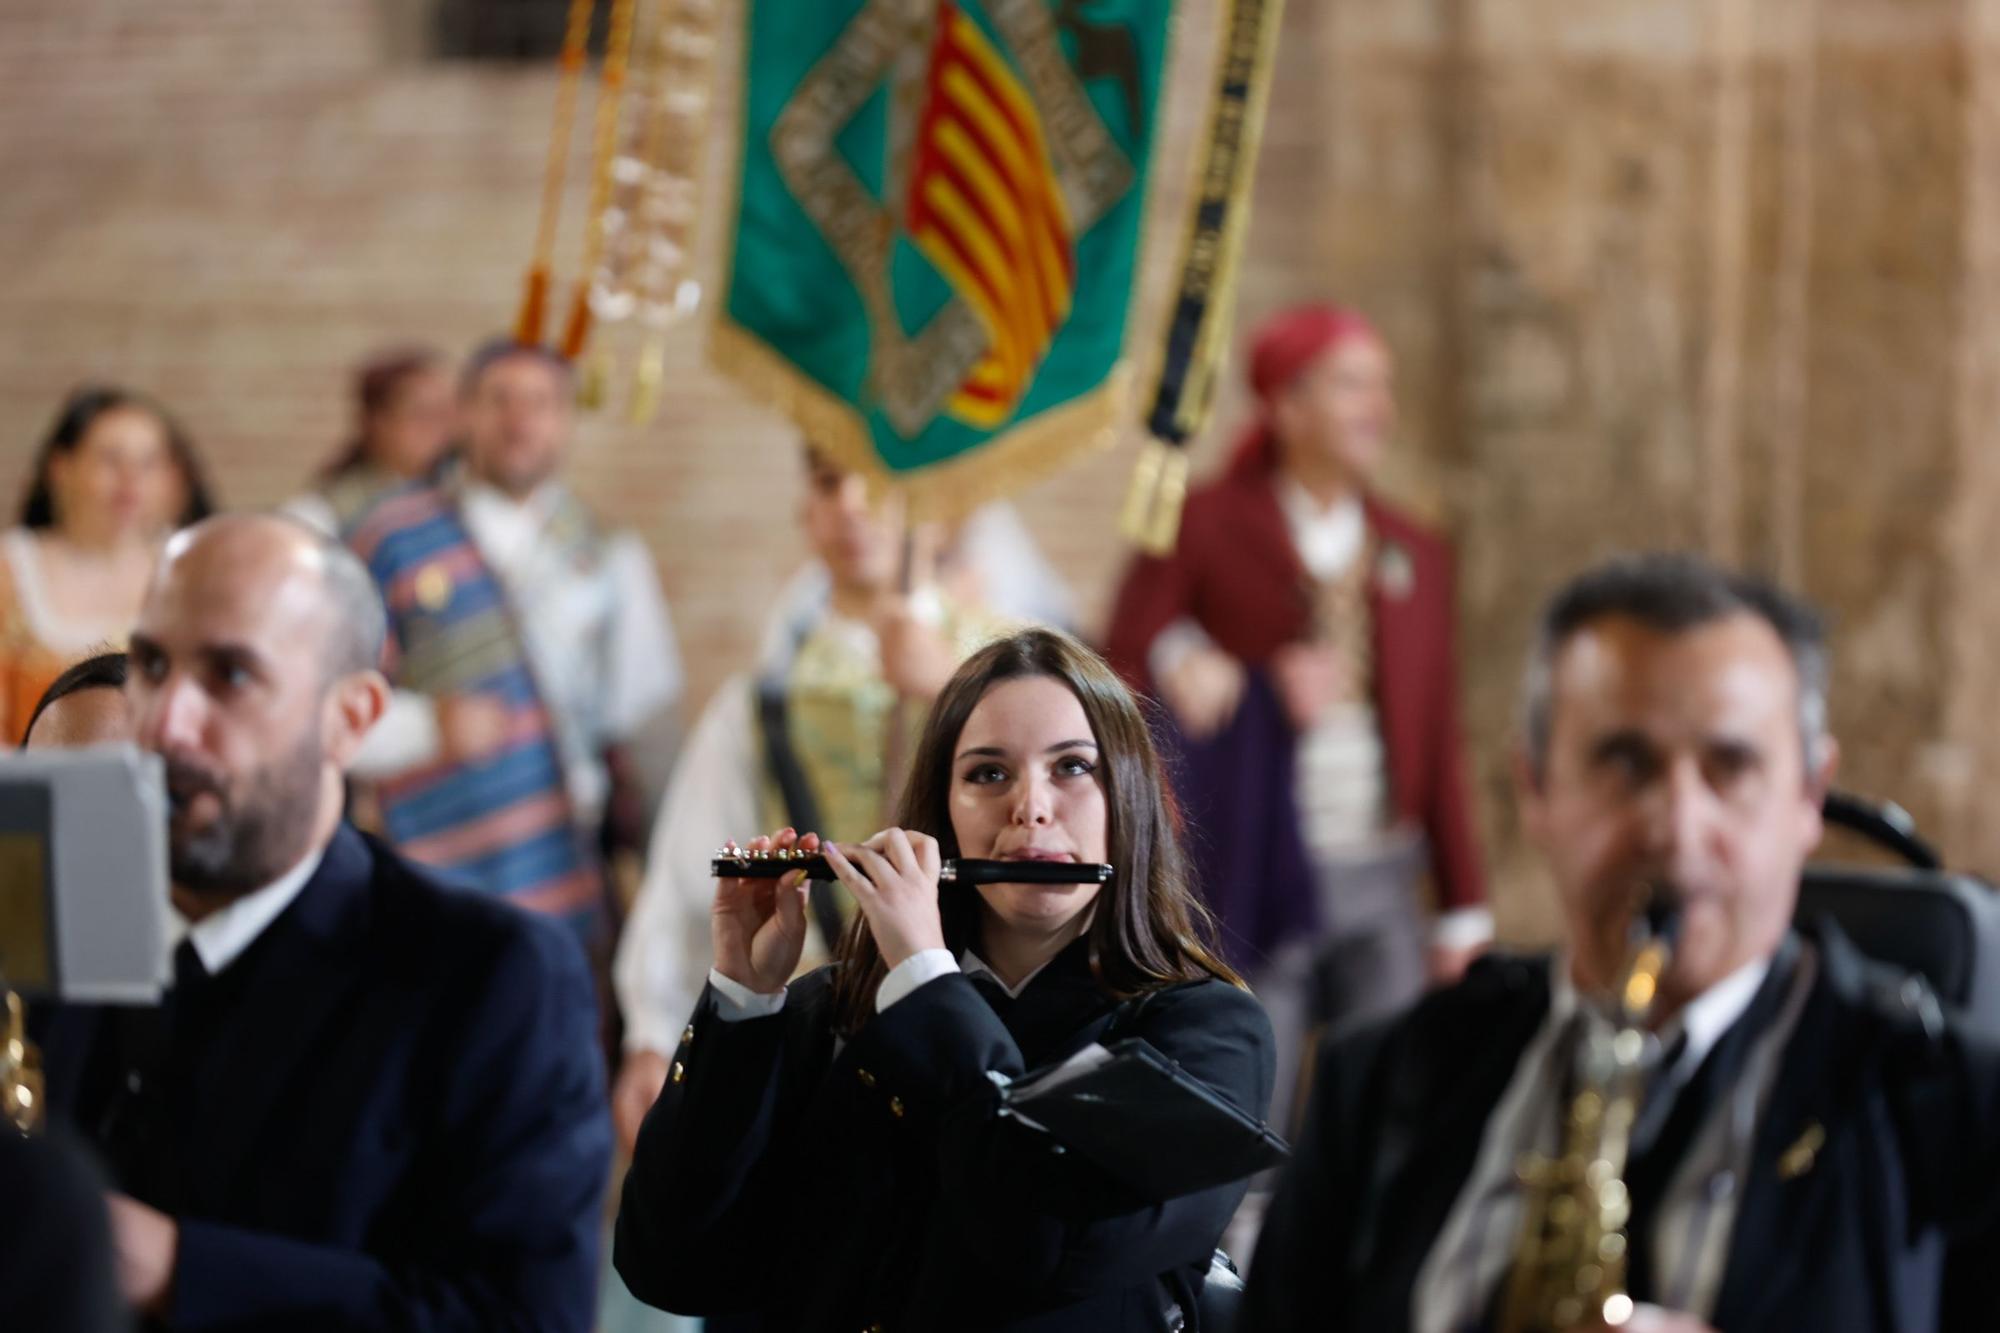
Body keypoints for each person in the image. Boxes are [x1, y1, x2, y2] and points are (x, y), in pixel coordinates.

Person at [1243, 552, 2000, 1333]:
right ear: (1534, 785)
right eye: (1625, 761)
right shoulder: (1378, 1081)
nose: (1675, 827)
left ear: (1809, 794)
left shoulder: (1957, 1105)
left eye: (1730, 765)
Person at [35, 513, 611, 1330]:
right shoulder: (48, 945)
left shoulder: (494, 976)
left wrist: (177, 1269)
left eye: (230, 675)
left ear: (352, 718)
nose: (164, 724)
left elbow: (521, 1316)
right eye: (154, 666)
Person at [614, 626, 1276, 1331]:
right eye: (988, 772)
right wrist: (744, 1002)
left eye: (1072, 767)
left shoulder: (1206, 1031)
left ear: (1129, 799)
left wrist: (927, 980)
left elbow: (1045, 1243)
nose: (1031, 806)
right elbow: (670, 1260)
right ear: (941, 813)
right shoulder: (832, 1012)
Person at [1106, 302, 1489, 1128]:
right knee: (1244, 1102)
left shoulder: (1412, 546)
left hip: (1382, 872)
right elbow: (1117, 663)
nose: (1378, 407)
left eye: (1382, 386)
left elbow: (1439, 732)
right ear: (1285, 405)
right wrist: (1201, 665)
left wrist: (1463, 907)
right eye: (1353, 385)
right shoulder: (1204, 522)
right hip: (1256, 871)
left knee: (1385, 1110)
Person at [608, 448, 1005, 1153]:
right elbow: (691, 867)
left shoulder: (1015, 667)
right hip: (818, 1033)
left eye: (878, 479)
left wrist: (955, 687)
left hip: (983, 1025)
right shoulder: (764, 697)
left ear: (938, 510)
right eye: (829, 481)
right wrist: (650, 1031)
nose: (852, 500)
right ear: (808, 515)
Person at [345, 338, 682, 938]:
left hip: (567, 871)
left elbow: (643, 726)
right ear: (464, 414)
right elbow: (324, 708)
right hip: (430, 871)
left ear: (566, 420)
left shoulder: (607, 553)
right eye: (500, 399)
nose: (520, 420)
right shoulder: (389, 537)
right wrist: (427, 728)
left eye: (543, 402)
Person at [0, 385, 214, 744]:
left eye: (148, 463)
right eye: (110, 460)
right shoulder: (10, 572)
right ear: (61, 467)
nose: (130, 480)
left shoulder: (191, 570)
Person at [284, 347, 458, 538]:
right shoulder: (322, 517)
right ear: (376, 423)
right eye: (422, 414)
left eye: (447, 413)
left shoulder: (460, 501)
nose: (440, 428)